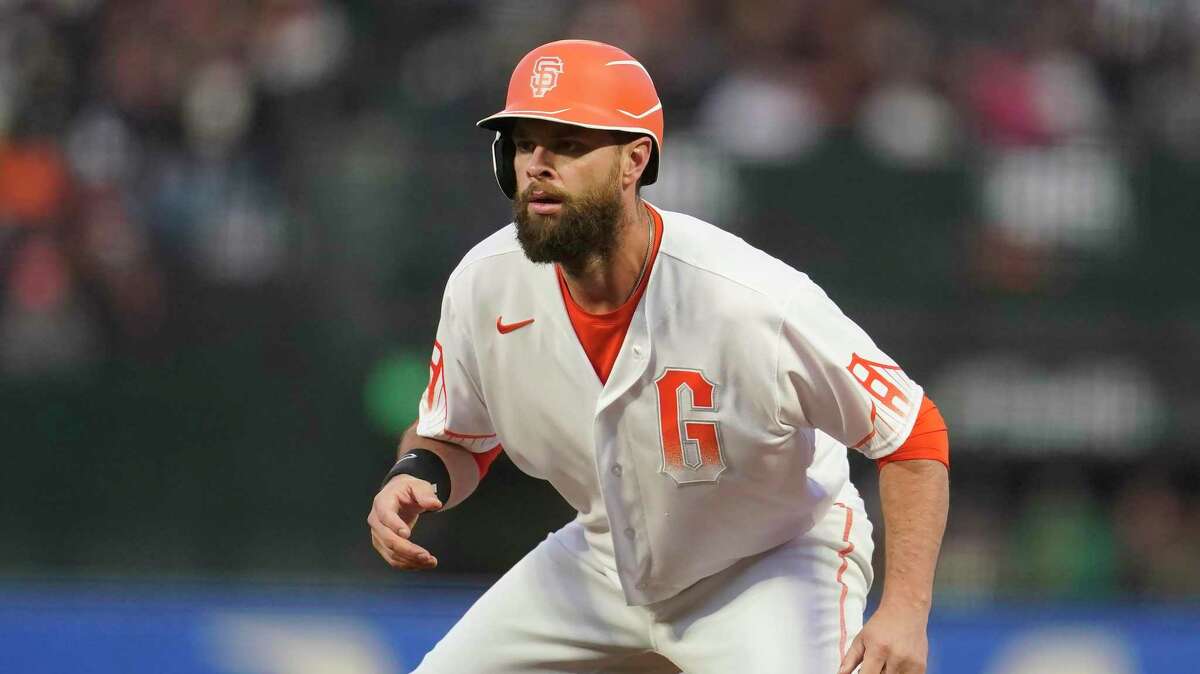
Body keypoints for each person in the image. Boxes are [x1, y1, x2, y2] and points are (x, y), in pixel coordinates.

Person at [367, 39, 950, 674]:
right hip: (604, 558)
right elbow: (457, 437)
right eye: (523, 142)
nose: (538, 163)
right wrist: (417, 472)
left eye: (567, 142)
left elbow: (913, 434)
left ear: (633, 160)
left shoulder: (748, 299)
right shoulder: (486, 283)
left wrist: (905, 612)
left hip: (768, 563)